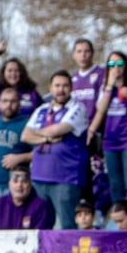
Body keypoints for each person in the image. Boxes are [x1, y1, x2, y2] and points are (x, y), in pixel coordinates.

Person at [23, 72, 90, 228]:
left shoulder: (77, 108)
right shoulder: (42, 110)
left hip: (66, 179)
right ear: (50, 88)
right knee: (40, 228)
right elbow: (25, 135)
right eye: (57, 86)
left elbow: (58, 130)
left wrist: (39, 132)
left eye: (65, 86)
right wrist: (45, 139)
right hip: (39, 178)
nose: (61, 90)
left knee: (67, 228)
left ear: (71, 88)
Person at [85, 52, 127, 206]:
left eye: (119, 64)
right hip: (110, 140)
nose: (115, 68)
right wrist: (110, 86)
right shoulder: (105, 88)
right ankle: (120, 221)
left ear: (125, 66)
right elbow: (100, 109)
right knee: (115, 185)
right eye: (111, 65)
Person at [0, 167, 55, 231]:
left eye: (24, 181)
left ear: (30, 184)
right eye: (15, 181)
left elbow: (43, 236)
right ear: (9, 184)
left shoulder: (41, 206)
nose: (19, 185)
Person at [0, 47, 40, 118]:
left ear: (22, 73)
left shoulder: (32, 93)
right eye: (10, 70)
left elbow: (41, 113)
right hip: (4, 128)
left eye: (16, 70)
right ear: (3, 73)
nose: (13, 74)